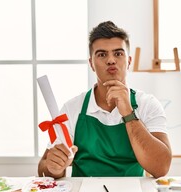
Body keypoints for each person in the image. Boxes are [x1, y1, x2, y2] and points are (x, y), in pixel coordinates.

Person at [38, 21, 172, 179]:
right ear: (91, 64)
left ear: (128, 61)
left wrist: (128, 113)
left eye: (118, 53)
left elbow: (161, 168)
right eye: (102, 54)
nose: (111, 60)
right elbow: (42, 169)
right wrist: (53, 167)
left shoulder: (148, 104)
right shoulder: (72, 108)